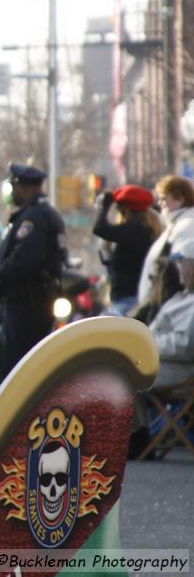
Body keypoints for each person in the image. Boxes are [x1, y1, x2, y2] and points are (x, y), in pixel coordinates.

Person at [0, 164, 66, 381]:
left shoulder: (33, 218)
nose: (12, 192)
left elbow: (25, 260)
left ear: (25, 188)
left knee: (20, 369)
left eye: (14, 186)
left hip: (27, 303)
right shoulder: (40, 214)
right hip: (29, 301)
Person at [131, 237, 194, 452]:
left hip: (183, 370)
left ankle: (137, 438)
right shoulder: (182, 297)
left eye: (182, 265)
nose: (179, 270)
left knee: (124, 373)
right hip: (166, 359)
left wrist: (146, 344)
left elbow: (184, 346)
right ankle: (136, 434)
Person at [92, 184, 161, 317]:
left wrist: (104, 206)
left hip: (130, 300)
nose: (117, 209)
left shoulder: (136, 230)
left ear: (125, 209)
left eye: (119, 207)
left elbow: (99, 229)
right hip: (127, 298)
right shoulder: (145, 229)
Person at [134, 175, 194, 321]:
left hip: (168, 305)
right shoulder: (175, 224)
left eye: (164, 198)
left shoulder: (186, 224)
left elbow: (174, 270)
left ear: (179, 198)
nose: (160, 203)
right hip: (161, 302)